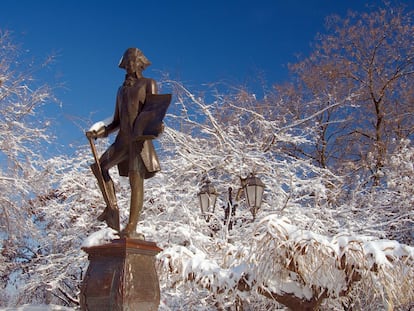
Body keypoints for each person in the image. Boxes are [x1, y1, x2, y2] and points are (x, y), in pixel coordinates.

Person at [86, 47, 162, 238]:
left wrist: (156, 126)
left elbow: (153, 109)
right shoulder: (121, 90)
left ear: (140, 64)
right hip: (123, 140)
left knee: (136, 182)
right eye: (126, 63)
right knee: (99, 167)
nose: (129, 65)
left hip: (139, 141)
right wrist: (98, 131)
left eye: (132, 62)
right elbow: (116, 121)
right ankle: (112, 207)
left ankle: (131, 226)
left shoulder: (148, 84)